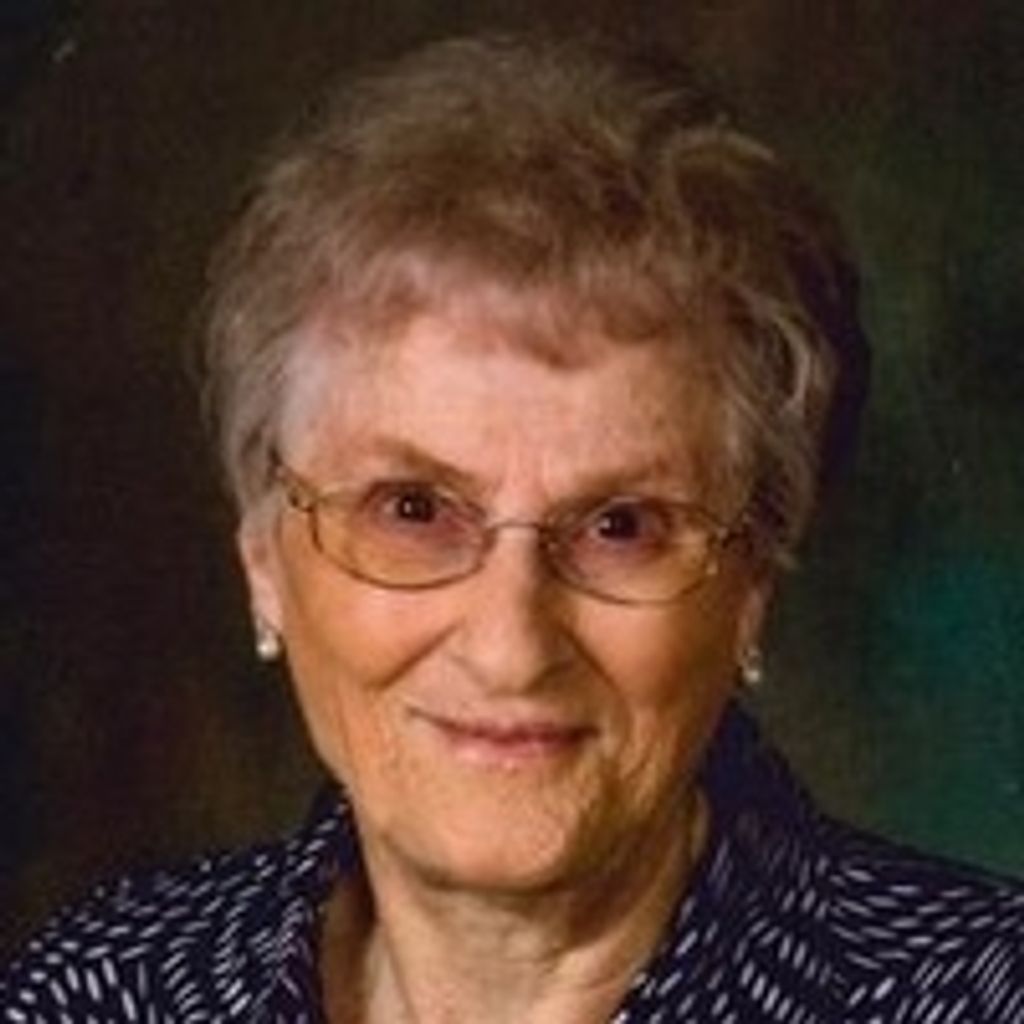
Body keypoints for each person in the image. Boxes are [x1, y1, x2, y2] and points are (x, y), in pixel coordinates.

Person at [2, 33, 1021, 1024]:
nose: (511, 647)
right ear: (265, 559)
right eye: (412, 509)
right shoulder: (105, 988)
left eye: (621, 525)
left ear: (751, 584)